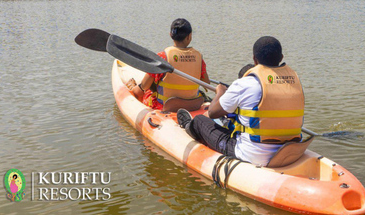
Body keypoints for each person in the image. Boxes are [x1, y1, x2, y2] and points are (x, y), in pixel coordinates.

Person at [177, 36, 305, 166]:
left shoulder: (245, 83)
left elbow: (212, 112)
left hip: (254, 155)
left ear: (254, 59)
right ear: (281, 57)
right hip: (291, 150)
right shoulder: (296, 83)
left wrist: (220, 92)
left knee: (199, 120)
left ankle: (188, 125)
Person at [128, 18, 210, 110]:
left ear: (170, 35)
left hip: (166, 106)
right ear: (189, 36)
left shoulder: (162, 57)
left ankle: (133, 90)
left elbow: (145, 85)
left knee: (142, 90)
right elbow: (206, 83)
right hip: (193, 105)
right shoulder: (199, 57)